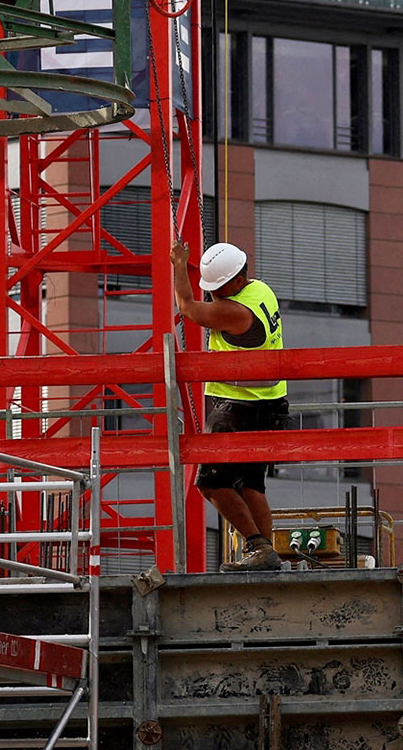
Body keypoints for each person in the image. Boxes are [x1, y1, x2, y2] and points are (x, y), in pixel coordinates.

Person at [169, 239, 289, 572]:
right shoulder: (260, 290)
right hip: (270, 402)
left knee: (211, 481)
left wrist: (180, 265)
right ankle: (265, 557)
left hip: (239, 406)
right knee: (251, 483)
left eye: (219, 288)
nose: (215, 294)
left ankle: (257, 545)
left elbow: (187, 308)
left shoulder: (233, 311)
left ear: (236, 281)